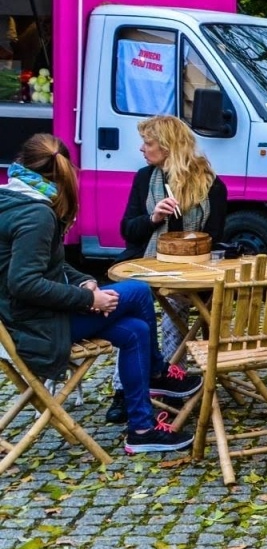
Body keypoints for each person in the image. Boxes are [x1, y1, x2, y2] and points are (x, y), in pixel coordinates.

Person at [0, 134, 201, 454]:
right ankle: (158, 372)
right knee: (136, 290)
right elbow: (24, 283)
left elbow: (52, 266)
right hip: (34, 328)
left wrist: (83, 281)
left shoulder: (11, 197)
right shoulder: (35, 214)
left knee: (135, 331)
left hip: (27, 318)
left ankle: (142, 429)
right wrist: (89, 300)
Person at [107, 115, 228, 425]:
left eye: (148, 143)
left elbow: (215, 238)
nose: (142, 149)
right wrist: (153, 219)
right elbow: (127, 231)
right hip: (145, 264)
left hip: (191, 271)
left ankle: (174, 383)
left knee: (177, 306)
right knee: (131, 309)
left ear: (169, 146)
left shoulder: (211, 185)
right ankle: (124, 391)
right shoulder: (144, 178)